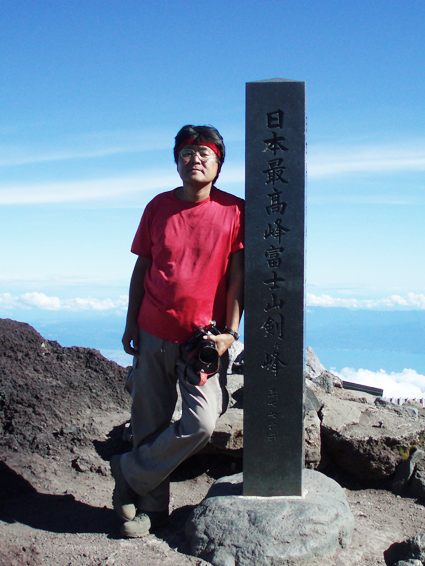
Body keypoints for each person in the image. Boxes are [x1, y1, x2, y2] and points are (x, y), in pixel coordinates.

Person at [112, 125, 244, 538]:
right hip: (152, 331)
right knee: (148, 422)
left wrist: (231, 332)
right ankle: (151, 511)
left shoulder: (235, 211)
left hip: (201, 340)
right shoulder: (158, 207)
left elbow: (238, 278)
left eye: (205, 153)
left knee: (201, 423)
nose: (195, 159)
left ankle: (129, 471)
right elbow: (142, 267)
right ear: (176, 162)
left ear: (219, 163)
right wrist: (131, 321)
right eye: (187, 153)